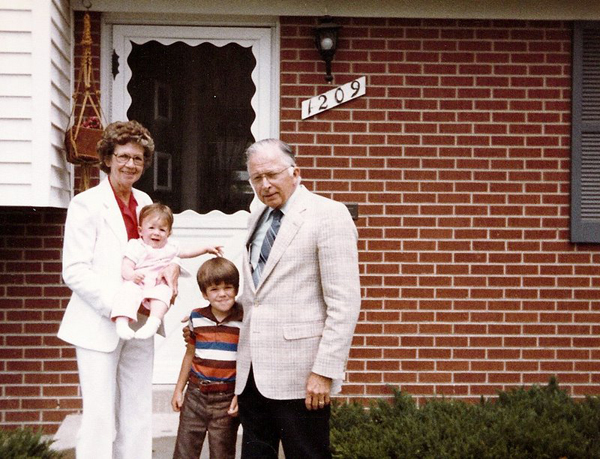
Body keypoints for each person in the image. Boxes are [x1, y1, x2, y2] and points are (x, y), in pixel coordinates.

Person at [58, 120, 181, 459]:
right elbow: (75, 270)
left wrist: (171, 273)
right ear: (108, 158)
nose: (131, 164)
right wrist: (118, 304)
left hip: (140, 323)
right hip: (99, 322)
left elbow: (157, 249)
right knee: (99, 415)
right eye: (124, 156)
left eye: (139, 159)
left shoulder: (144, 201)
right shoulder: (86, 204)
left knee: (138, 409)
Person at [236, 138, 361, 458]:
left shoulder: (328, 215)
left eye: (272, 175)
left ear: (295, 172)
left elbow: (344, 303)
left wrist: (325, 371)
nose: (264, 185)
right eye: (256, 179)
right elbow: (256, 295)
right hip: (253, 376)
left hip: (302, 377)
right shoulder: (257, 217)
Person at [111, 202, 223, 340]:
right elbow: (126, 266)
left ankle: (153, 322)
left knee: (164, 293)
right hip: (138, 282)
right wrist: (132, 275)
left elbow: (187, 251)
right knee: (127, 291)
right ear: (140, 231)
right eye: (151, 228)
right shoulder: (136, 246)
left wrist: (205, 249)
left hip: (157, 284)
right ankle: (122, 322)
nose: (156, 233)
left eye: (162, 230)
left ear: (169, 233)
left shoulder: (170, 247)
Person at [171, 257, 243, 459]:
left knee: (222, 453)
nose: (222, 294)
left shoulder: (243, 320)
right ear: (204, 294)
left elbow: (247, 362)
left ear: (236, 289)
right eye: (214, 289)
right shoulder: (197, 318)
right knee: (185, 451)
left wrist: (239, 394)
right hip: (195, 395)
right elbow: (189, 354)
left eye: (228, 287)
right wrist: (179, 389)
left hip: (226, 399)